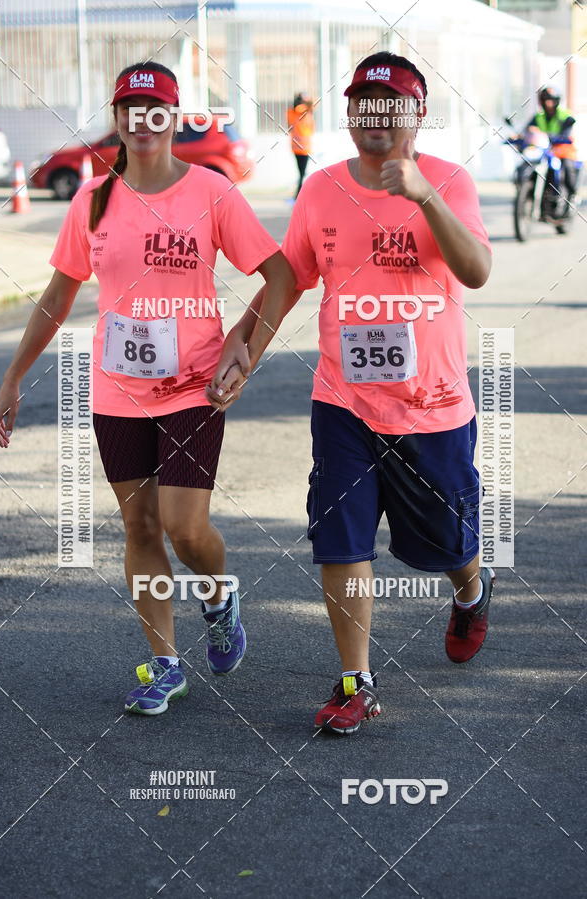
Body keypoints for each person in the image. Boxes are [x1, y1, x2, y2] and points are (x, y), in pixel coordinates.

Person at [0, 61, 294, 715]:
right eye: (130, 108)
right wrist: (13, 377)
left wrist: (246, 349)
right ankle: (164, 663)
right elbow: (56, 295)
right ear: (118, 117)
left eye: (155, 108)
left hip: (194, 385)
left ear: (174, 116)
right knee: (140, 524)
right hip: (117, 390)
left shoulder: (211, 191)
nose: (142, 119)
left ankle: (219, 595)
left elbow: (282, 274)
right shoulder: (93, 199)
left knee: (186, 527)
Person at [207, 51, 494, 736]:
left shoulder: (451, 183)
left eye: (391, 101)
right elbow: (289, 280)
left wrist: (421, 192)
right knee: (341, 537)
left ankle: (472, 591)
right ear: (349, 113)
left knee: (449, 544)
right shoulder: (323, 190)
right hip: (344, 401)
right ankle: (355, 679)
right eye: (364, 101)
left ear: (417, 113)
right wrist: (243, 346)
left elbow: (477, 270)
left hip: (431, 407)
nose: (376, 113)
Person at [525, 86, 579, 217]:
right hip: (545, 151)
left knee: (566, 167)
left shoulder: (565, 116)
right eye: (545, 100)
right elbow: (527, 130)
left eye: (551, 100)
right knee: (528, 163)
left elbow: (566, 135)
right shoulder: (538, 117)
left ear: (557, 101)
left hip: (563, 150)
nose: (548, 103)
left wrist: (545, 134)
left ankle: (571, 197)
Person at [287, 93, 315, 199]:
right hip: (304, 148)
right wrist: (307, 98)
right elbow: (312, 105)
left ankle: (298, 194)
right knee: (302, 173)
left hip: (295, 147)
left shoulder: (290, 113)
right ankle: (299, 195)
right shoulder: (305, 111)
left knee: (301, 172)